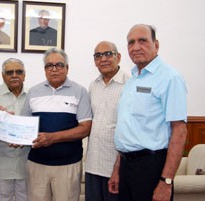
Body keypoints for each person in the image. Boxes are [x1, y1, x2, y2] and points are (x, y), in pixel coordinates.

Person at [108, 24, 187, 201]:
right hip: (126, 166)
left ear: (156, 45)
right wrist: (117, 169)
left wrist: (166, 182)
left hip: (151, 167)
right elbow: (128, 129)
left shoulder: (170, 78)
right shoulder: (132, 80)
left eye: (142, 41)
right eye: (131, 42)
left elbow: (179, 131)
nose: (136, 47)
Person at [21, 48, 92, 201]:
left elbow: (85, 129)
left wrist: (52, 138)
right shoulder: (33, 92)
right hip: (36, 164)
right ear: (44, 69)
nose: (54, 69)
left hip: (68, 165)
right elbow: (24, 126)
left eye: (59, 65)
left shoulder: (80, 92)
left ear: (67, 68)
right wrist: (17, 137)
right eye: (49, 66)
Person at [85, 41, 129, 201]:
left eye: (108, 54)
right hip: (93, 164)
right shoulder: (93, 86)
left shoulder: (129, 84)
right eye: (98, 56)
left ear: (118, 57)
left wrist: (119, 166)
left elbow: (130, 128)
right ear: (95, 61)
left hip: (116, 165)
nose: (103, 59)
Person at [0, 58, 29, 201]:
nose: (14, 75)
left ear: (24, 75)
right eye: (9, 72)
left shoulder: (33, 95)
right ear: (3, 76)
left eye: (19, 72)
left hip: (26, 164)